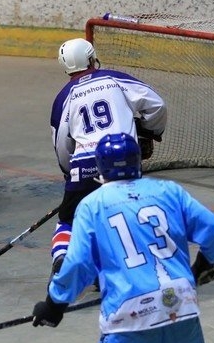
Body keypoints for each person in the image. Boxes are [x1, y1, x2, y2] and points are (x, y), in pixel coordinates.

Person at [32, 133, 214, 343]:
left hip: (128, 318)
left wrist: (54, 304)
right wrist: (203, 266)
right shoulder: (170, 191)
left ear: (100, 166)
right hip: (181, 307)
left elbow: (78, 263)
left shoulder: (92, 205)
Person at [49, 38, 167, 277]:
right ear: (92, 59)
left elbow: (61, 144)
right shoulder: (114, 78)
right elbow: (157, 105)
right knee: (126, 212)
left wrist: (70, 173)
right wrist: (149, 131)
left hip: (84, 165)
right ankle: (130, 262)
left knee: (68, 220)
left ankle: (62, 256)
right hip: (124, 158)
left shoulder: (63, 97)